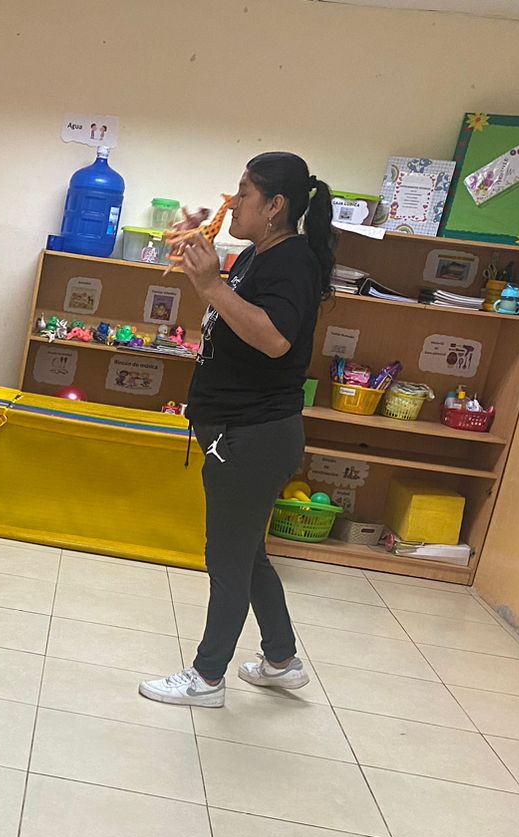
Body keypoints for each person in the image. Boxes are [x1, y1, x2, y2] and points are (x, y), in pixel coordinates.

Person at [140, 152, 334, 708]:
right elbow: (231, 315)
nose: (234, 201)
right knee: (248, 554)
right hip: (239, 429)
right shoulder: (254, 255)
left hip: (253, 434)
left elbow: (274, 339)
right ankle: (280, 660)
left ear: (275, 206)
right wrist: (197, 257)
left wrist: (212, 286)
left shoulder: (292, 262)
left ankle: (207, 679)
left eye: (245, 193)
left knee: (226, 558)